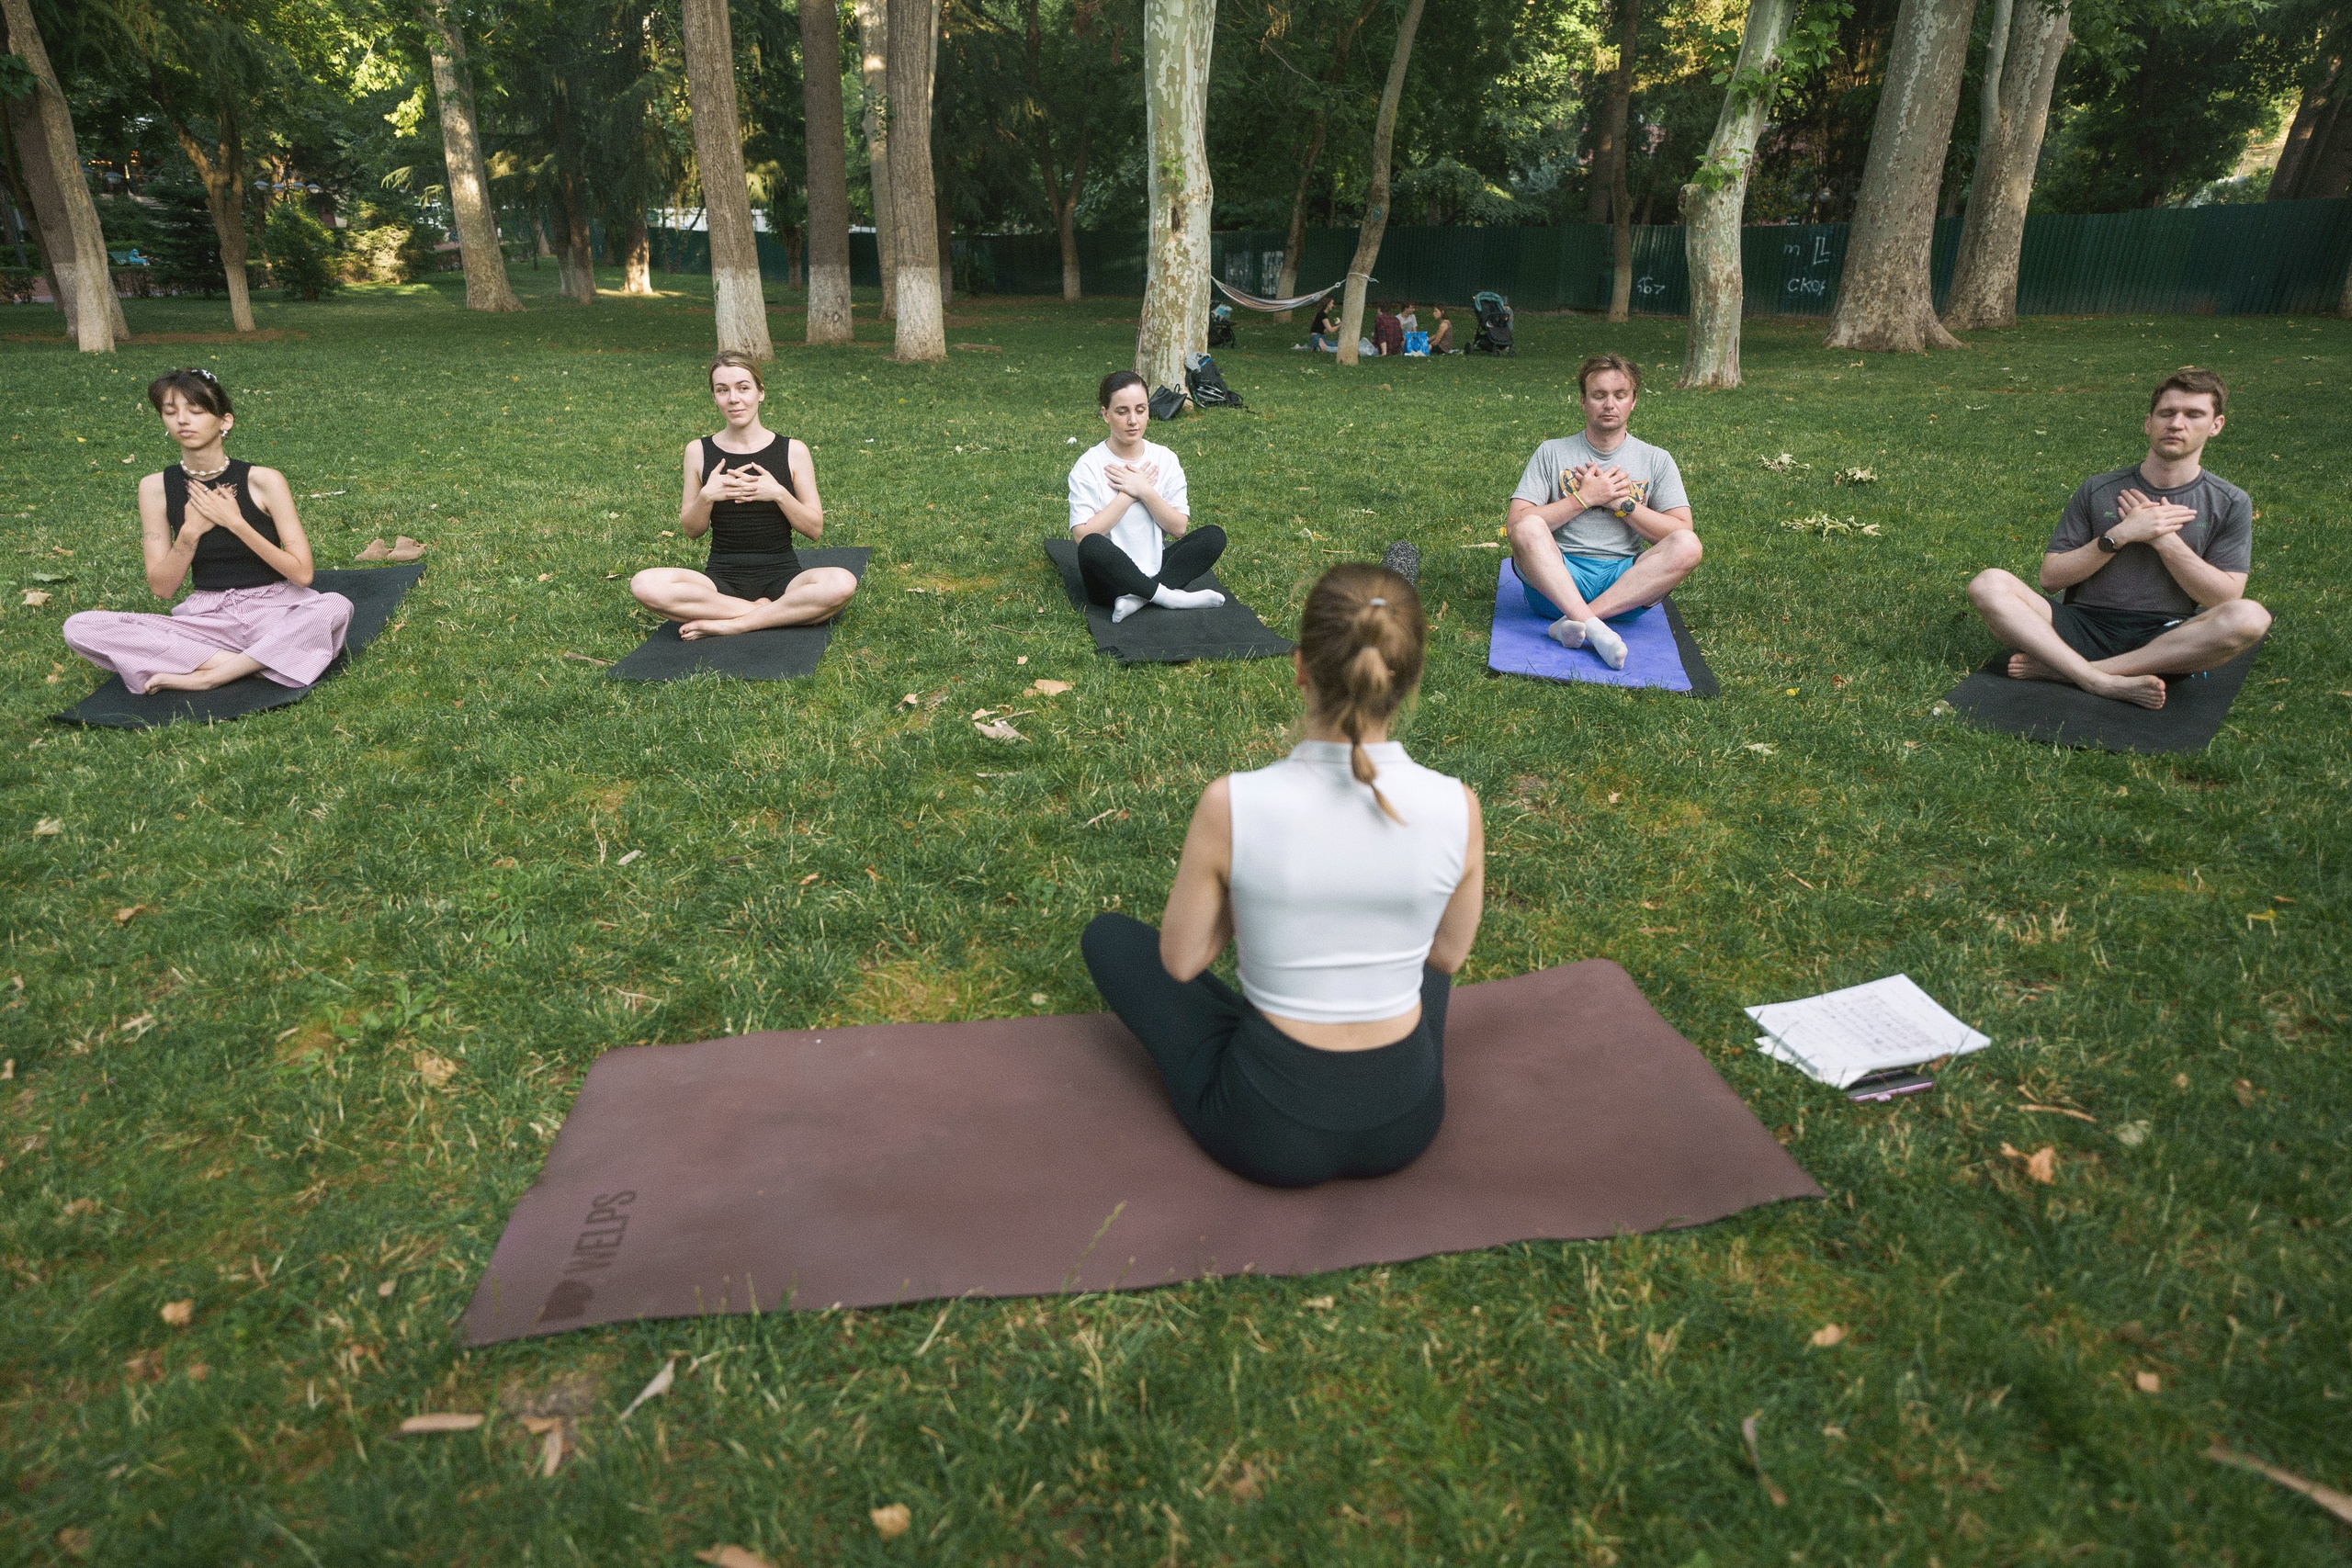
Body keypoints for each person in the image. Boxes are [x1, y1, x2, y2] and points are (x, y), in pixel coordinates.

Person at [1080, 563, 1485, 1188]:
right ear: (1409, 677)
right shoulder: (1459, 804)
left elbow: (1183, 962)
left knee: (1109, 938)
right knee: (1416, 964)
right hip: (1408, 1117)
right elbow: (1448, 955)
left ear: (1299, 667)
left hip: (1270, 1130)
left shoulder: (1233, 804)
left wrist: (1262, 901)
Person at [1966, 367, 2269, 710]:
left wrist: (2163, 540)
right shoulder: (2098, 488)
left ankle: (2075, 672)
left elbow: (2224, 597)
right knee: (1989, 584)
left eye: (2193, 414)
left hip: (2165, 637)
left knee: (2251, 617)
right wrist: (2119, 535)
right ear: (2148, 423)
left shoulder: (2230, 502)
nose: (2176, 423)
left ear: (2216, 426)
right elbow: (2051, 579)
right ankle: (2098, 680)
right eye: (2166, 413)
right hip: (2080, 624)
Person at [62, 368, 352, 694]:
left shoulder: (265, 481)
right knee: (80, 627)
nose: (182, 421)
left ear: (224, 421)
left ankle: (210, 675)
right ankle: (257, 663)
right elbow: (162, 587)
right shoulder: (155, 488)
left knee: (333, 606)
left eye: (196, 411)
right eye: (171, 413)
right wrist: (189, 532)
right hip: (207, 619)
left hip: (276, 610)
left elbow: (303, 575)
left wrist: (235, 522)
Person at [629, 353, 858, 639]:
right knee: (645, 584)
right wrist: (707, 496)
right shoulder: (697, 451)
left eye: (743, 387)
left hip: (783, 576)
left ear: (760, 393)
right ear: (714, 397)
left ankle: (733, 624)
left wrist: (777, 494)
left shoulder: (794, 450)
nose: (733, 399)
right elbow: (692, 531)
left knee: (841, 583)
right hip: (721, 579)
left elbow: (814, 529)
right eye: (722, 390)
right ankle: (765, 612)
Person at [1503, 352, 1702, 669]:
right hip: (1556, 581)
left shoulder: (1657, 459)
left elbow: (1680, 530)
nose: (1610, 404)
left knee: (1689, 545)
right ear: (1583, 401)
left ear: (1633, 401)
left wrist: (1621, 504)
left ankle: (1578, 622)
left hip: (1625, 587)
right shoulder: (1551, 451)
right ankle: (1596, 629)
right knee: (1528, 526)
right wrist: (1584, 499)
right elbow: (1515, 525)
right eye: (1599, 395)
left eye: (1620, 395)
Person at [1069, 370, 1227, 624]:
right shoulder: (1088, 465)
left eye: (1141, 410)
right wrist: (1127, 496)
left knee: (1213, 536)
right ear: (1104, 414)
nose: (1133, 420)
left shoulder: (1165, 458)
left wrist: (1145, 491)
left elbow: (1179, 528)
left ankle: (1142, 597)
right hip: (1108, 584)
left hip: (1157, 569)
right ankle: (1171, 598)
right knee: (1092, 545)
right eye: (1122, 412)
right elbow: (1081, 536)